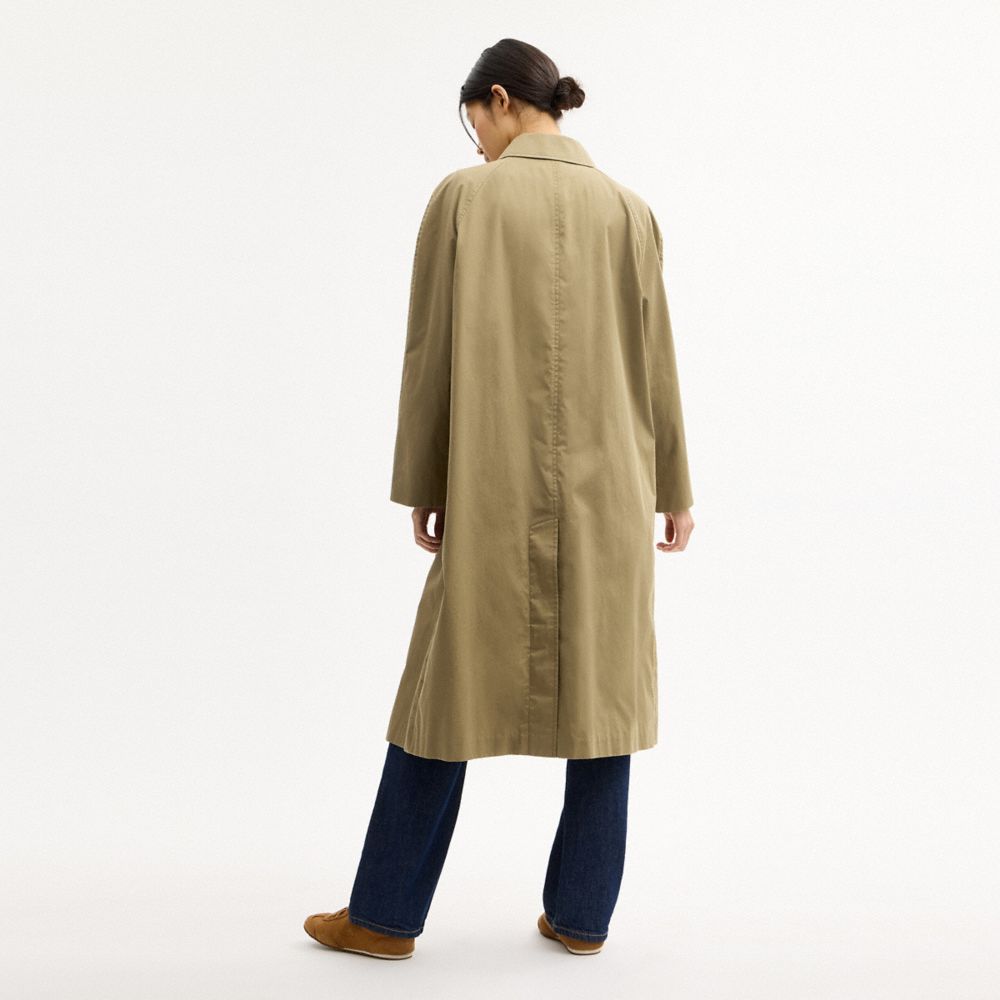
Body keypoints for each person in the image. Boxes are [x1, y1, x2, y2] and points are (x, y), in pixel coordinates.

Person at [304, 37, 695, 961]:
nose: (475, 139)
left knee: (444, 692)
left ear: (498, 101)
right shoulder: (630, 210)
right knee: (604, 698)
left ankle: (384, 917)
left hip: (489, 486)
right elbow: (657, 363)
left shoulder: (465, 199)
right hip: (612, 497)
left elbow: (430, 350)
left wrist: (423, 482)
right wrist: (673, 487)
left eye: (473, 121)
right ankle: (582, 919)